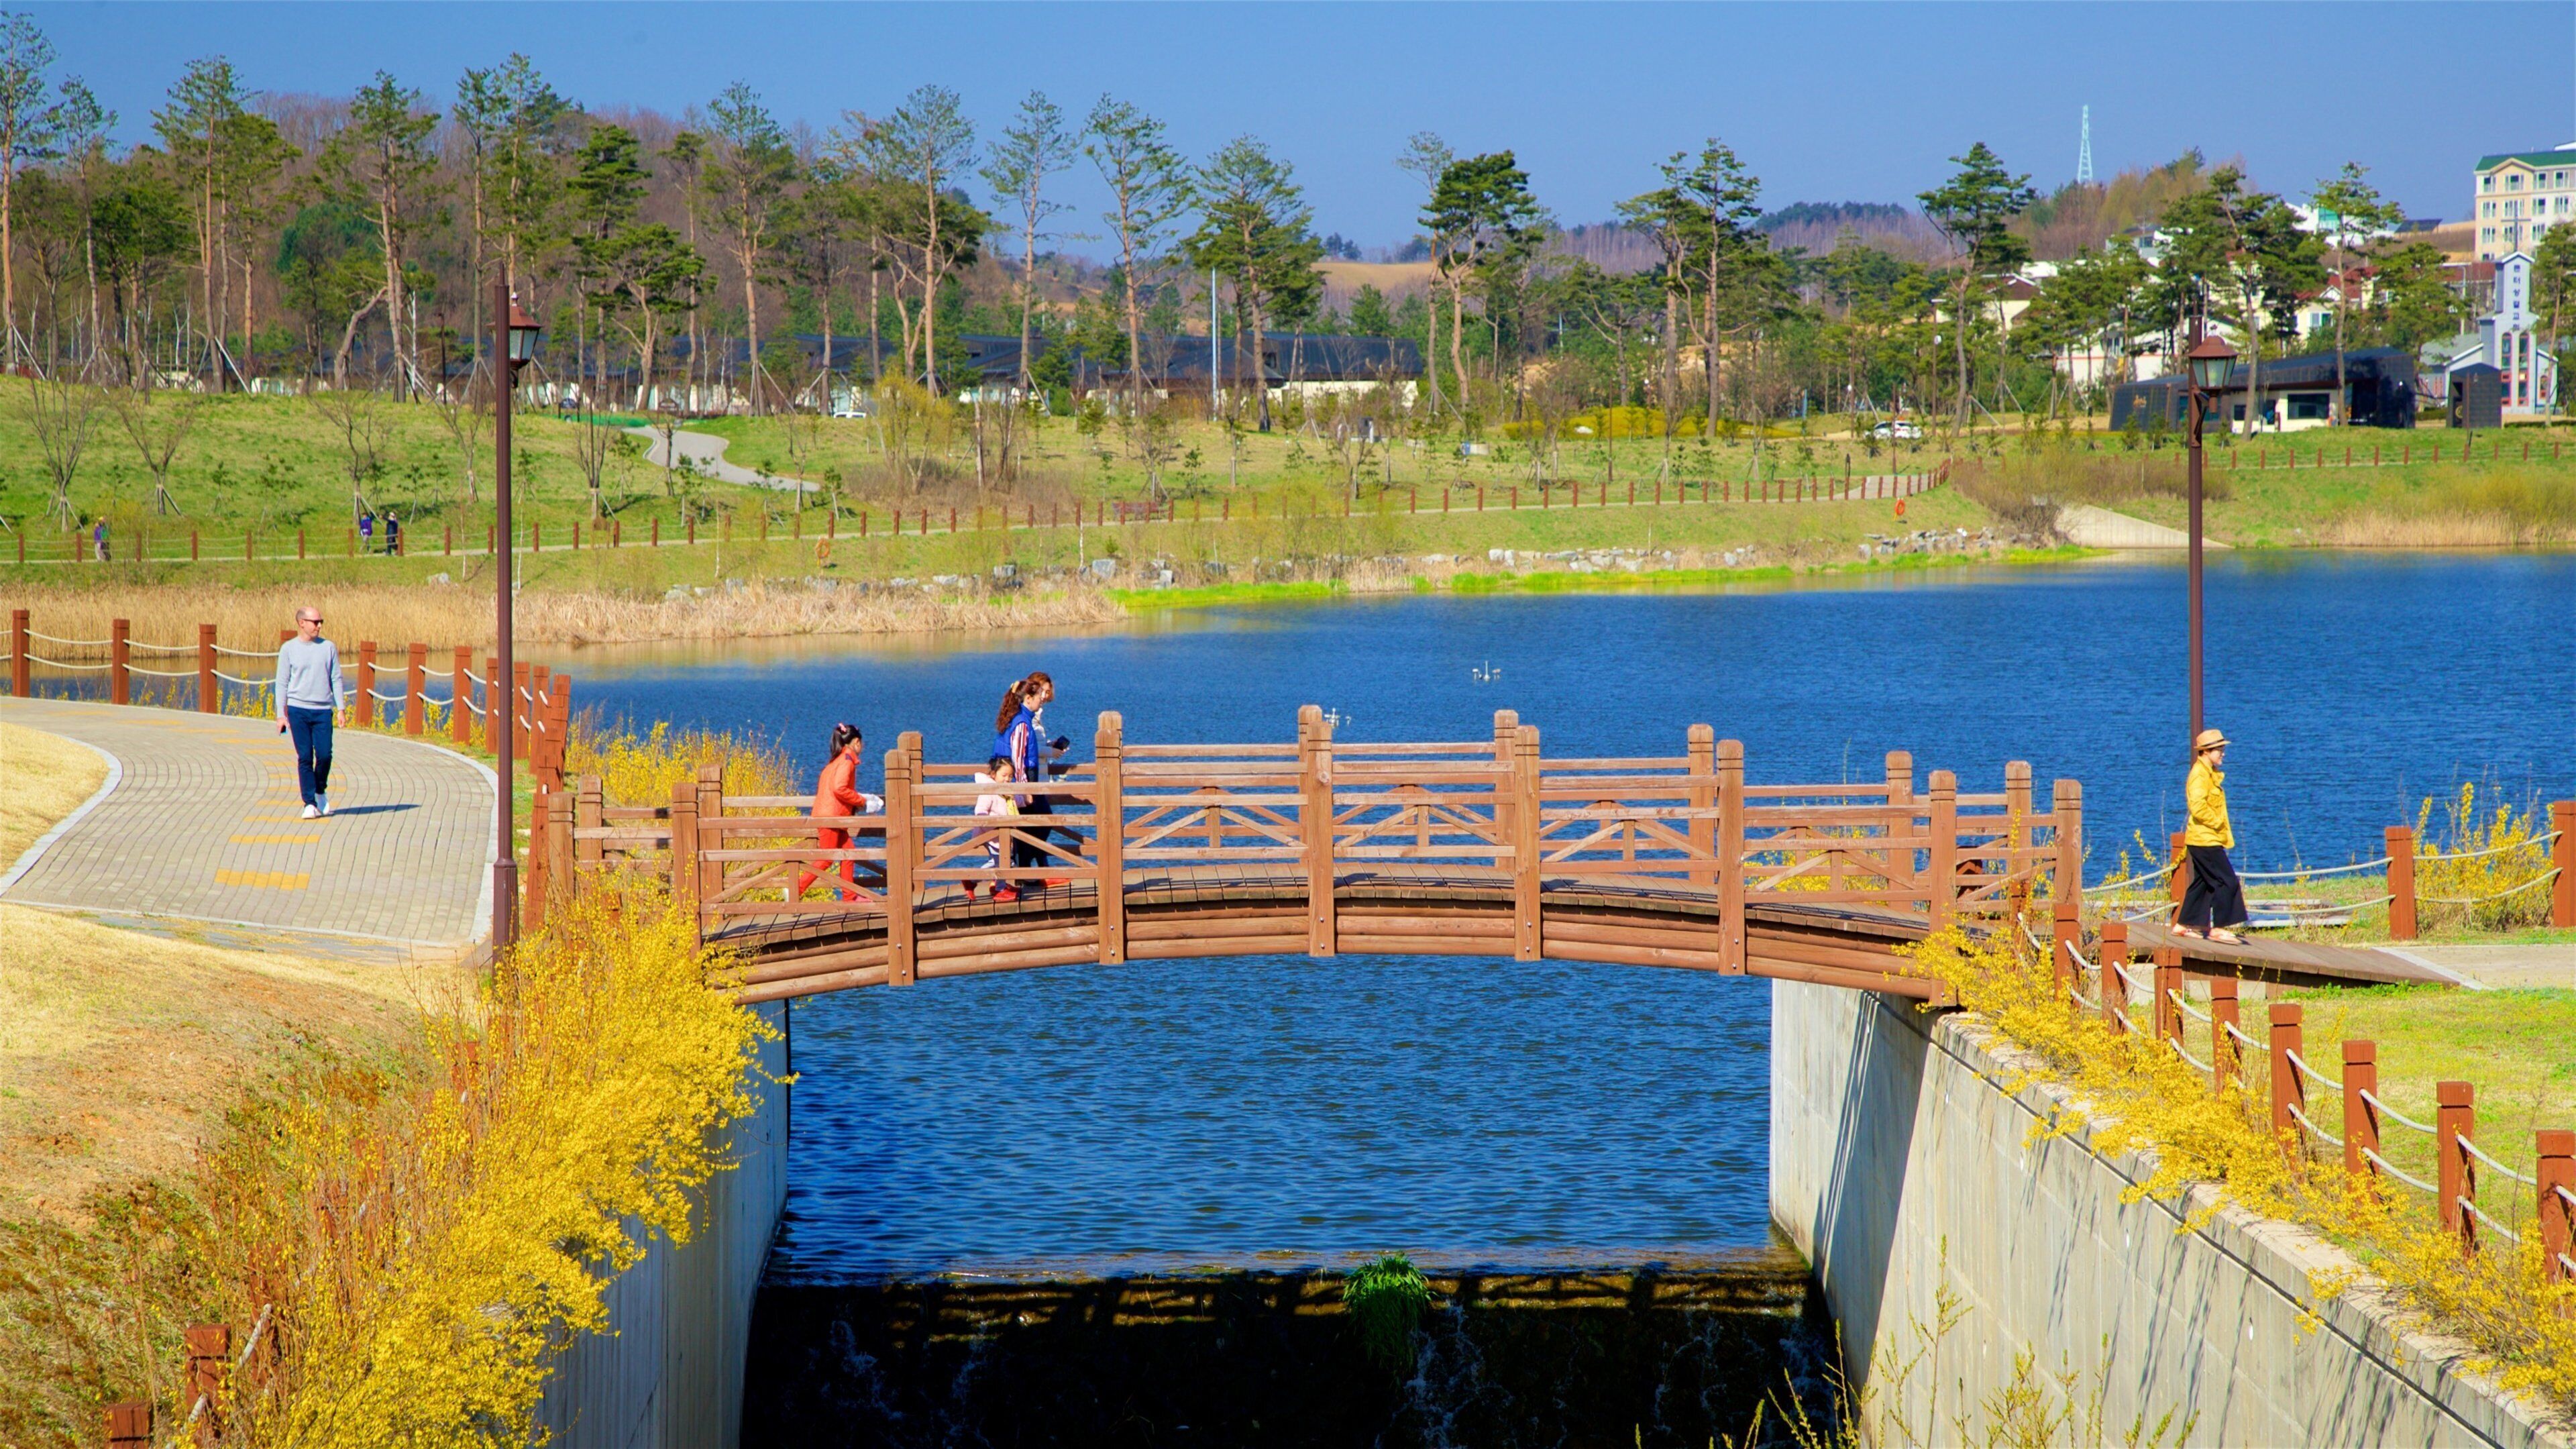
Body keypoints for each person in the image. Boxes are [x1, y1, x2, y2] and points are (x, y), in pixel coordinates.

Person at [994, 672, 1072, 887]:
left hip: (1024, 781)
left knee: (1031, 828)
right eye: (1039, 697)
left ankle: (1027, 871)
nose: (1042, 700)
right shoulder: (1021, 723)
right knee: (1043, 823)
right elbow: (1018, 759)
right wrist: (1025, 789)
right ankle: (1024, 871)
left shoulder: (1021, 719)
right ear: (1028, 699)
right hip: (1021, 783)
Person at [796, 722, 883, 902]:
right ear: (857, 742)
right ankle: (795, 890)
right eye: (862, 744)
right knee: (827, 858)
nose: (863, 748)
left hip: (834, 816)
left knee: (849, 853)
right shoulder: (847, 762)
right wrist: (863, 802)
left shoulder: (836, 761)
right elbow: (839, 789)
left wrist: (857, 800)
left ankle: (849, 896)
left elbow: (838, 790)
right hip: (831, 818)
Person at [2178, 728, 2248, 945]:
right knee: (2226, 881)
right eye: (2219, 750)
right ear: (2206, 752)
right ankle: (2219, 928)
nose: (2223, 754)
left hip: (2206, 839)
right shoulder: (2199, 775)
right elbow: (2197, 806)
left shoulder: (2209, 774)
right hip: (2204, 840)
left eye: (2223, 749)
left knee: (2204, 883)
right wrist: (2216, 822)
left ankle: (2183, 926)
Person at [275, 607, 345, 818]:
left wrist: (341, 708)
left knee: (324, 755)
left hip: (323, 710)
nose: (319, 625)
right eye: (315, 622)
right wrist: (281, 714)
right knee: (305, 757)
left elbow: (336, 678)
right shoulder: (289, 649)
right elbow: (282, 682)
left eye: (321, 621)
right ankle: (309, 803)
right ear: (301, 623)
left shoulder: (328, 647)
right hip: (298, 711)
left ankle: (320, 790)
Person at [972, 755, 1021, 903]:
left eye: (1011, 776)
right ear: (994, 775)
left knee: (1001, 861)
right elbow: (980, 811)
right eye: (1004, 775)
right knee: (1001, 861)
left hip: (1003, 836)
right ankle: (995, 887)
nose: (1007, 779)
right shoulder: (989, 791)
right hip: (990, 834)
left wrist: (1023, 798)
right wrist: (992, 825)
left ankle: (997, 885)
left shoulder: (1007, 793)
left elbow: (1017, 801)